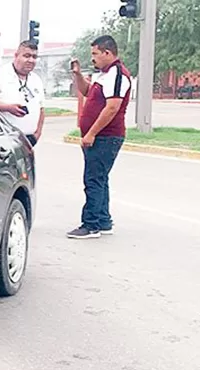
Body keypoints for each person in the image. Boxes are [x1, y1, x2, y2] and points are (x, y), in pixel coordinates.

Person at [67, 35, 132, 239]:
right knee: (100, 178)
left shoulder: (117, 74)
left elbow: (112, 107)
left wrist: (92, 133)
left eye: (95, 54)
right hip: (98, 136)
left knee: (93, 180)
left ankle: (91, 224)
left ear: (107, 53)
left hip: (106, 136)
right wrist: (78, 75)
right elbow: (87, 92)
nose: (92, 58)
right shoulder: (101, 75)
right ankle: (103, 220)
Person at [0, 40, 45, 147]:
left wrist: (37, 133)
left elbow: (41, 109)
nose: (31, 60)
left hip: (30, 139)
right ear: (16, 56)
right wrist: (8, 107)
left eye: (34, 57)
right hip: (6, 138)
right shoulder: (0, 75)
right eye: (26, 56)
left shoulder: (36, 80)